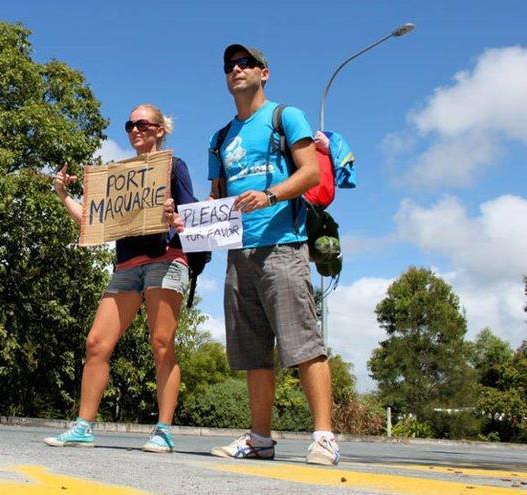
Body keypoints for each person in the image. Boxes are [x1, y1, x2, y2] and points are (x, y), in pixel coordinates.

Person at [205, 44, 340, 465]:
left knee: (303, 342)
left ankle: (324, 436)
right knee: (253, 352)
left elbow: (310, 172)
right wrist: (186, 222)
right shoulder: (220, 137)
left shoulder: (286, 116)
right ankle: (259, 439)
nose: (236, 69)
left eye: (245, 63)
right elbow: (216, 199)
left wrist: (270, 194)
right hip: (239, 255)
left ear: (265, 73)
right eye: (230, 66)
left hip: (282, 246)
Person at [44, 103, 195, 453]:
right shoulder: (115, 176)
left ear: (160, 129)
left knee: (161, 344)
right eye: (129, 125)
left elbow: (191, 218)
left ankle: (163, 430)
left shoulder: (174, 166)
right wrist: (63, 193)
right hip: (126, 266)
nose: (134, 130)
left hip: (165, 260)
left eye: (142, 123)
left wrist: (175, 217)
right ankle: (83, 426)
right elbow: (91, 221)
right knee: (96, 343)